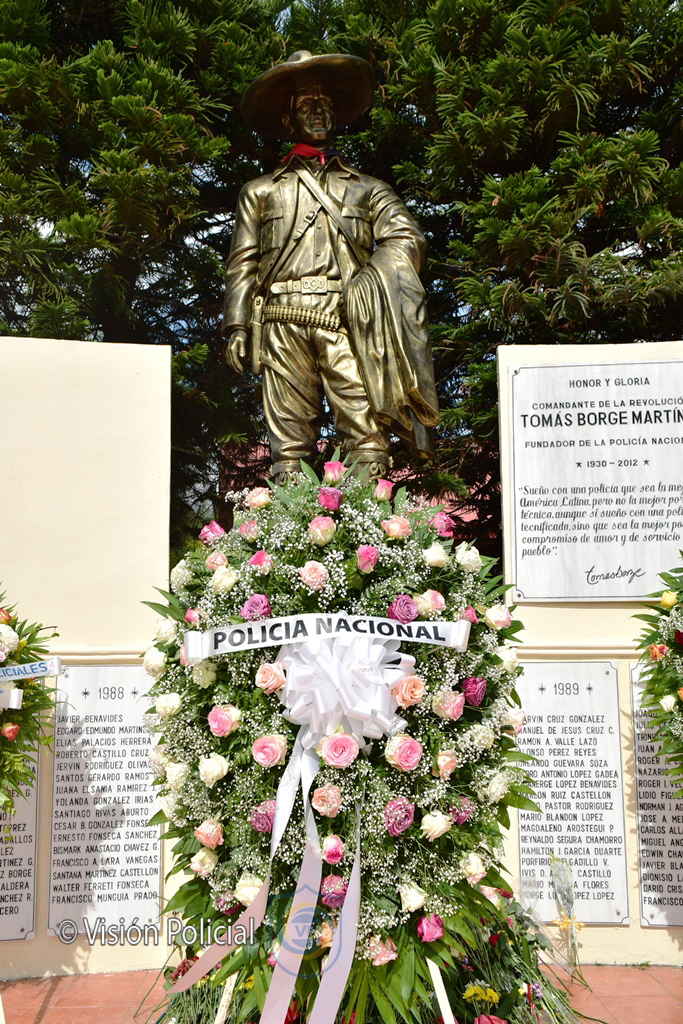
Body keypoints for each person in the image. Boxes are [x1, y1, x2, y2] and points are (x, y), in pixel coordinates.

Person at [223, 50, 439, 483]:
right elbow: (242, 263)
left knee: (366, 431)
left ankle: (372, 520)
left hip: (346, 320)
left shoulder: (368, 189)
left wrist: (369, 282)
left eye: (324, 104)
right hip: (281, 320)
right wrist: (238, 326)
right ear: (288, 119)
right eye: (306, 104)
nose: (318, 111)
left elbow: (409, 239)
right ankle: (287, 519)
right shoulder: (259, 191)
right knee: (288, 442)